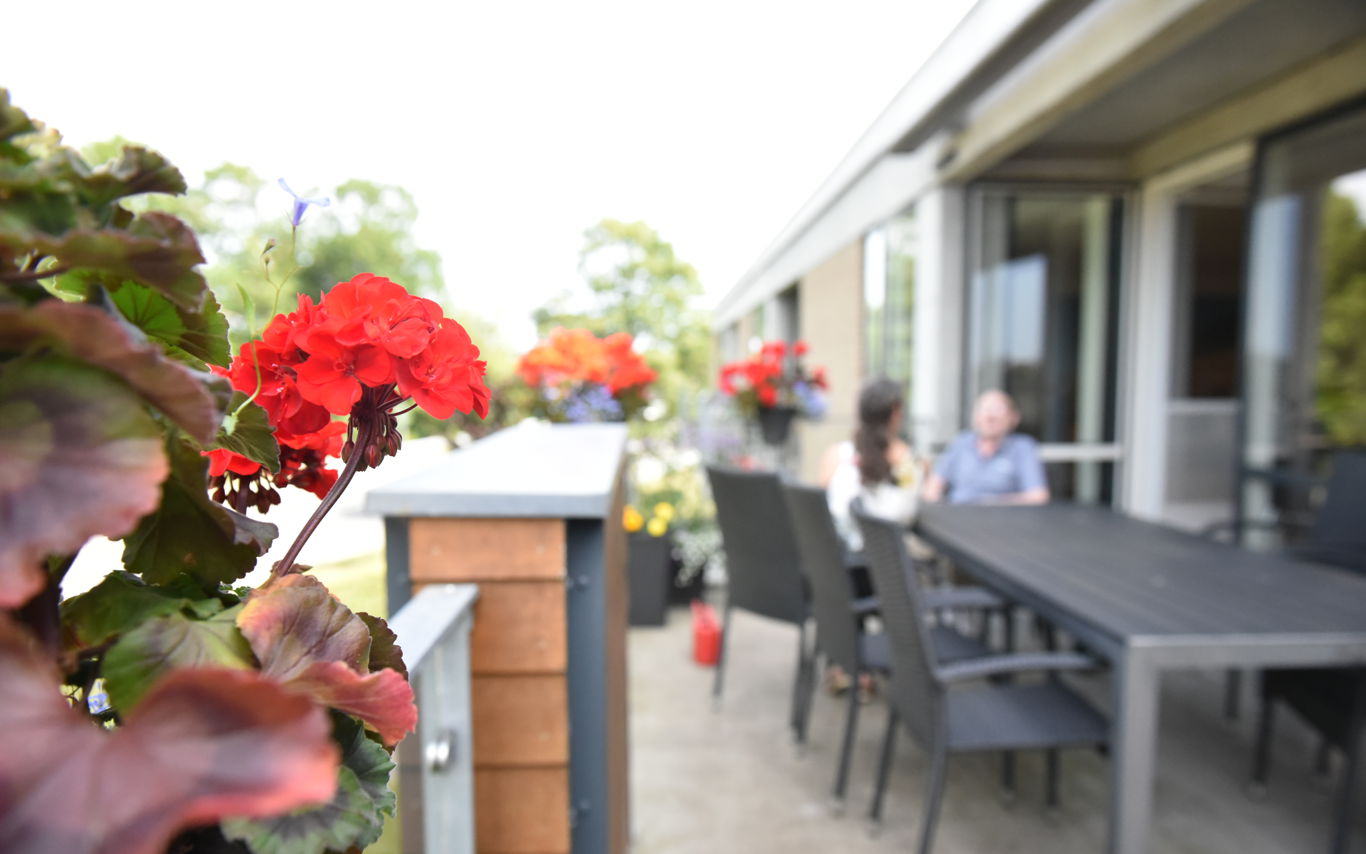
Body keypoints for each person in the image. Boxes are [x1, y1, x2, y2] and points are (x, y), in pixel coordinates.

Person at [819, 377, 920, 552]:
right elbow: (907, 514)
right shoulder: (905, 461)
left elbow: (819, 512)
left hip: (837, 564)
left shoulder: (834, 455)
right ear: (895, 412)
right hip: (883, 569)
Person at [922, 389, 1049, 505]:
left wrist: (988, 503)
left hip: (1004, 521)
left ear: (1013, 418)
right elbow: (933, 487)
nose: (989, 417)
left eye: (997, 410)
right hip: (958, 519)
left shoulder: (1022, 448)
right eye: (985, 410)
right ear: (976, 417)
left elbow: (1038, 496)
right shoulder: (961, 443)